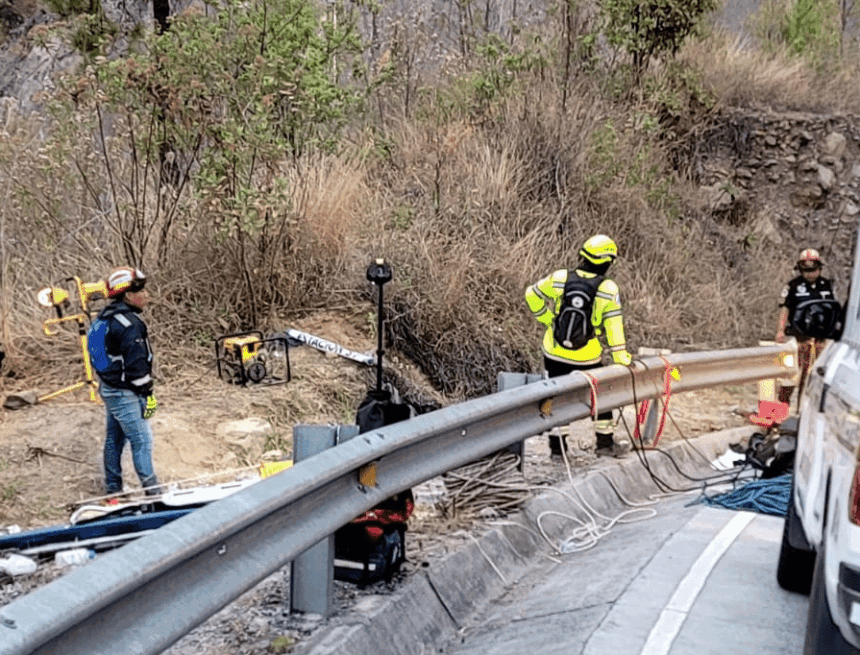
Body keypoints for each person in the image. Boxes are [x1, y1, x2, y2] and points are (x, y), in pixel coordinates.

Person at [525, 235, 633, 458]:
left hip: (553, 352)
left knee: (554, 396)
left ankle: (558, 450)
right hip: (587, 356)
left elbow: (531, 294)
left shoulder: (560, 277)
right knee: (601, 396)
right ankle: (604, 445)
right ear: (607, 261)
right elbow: (614, 326)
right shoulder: (607, 288)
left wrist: (547, 319)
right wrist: (621, 357)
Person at [91, 266, 160, 497]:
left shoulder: (104, 318)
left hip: (110, 388)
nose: (147, 294)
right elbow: (137, 366)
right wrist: (147, 393)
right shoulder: (130, 324)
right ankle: (155, 495)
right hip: (125, 392)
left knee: (115, 439)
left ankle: (113, 491)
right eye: (142, 290)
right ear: (129, 295)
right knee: (142, 441)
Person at [775, 248, 837, 409]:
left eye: (814, 269)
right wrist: (780, 330)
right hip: (799, 338)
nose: (811, 273)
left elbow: (833, 309)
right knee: (792, 374)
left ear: (819, 267)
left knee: (817, 374)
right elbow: (785, 309)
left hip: (820, 340)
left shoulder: (826, 285)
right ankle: (783, 406)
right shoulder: (793, 286)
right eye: (806, 270)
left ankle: (810, 408)